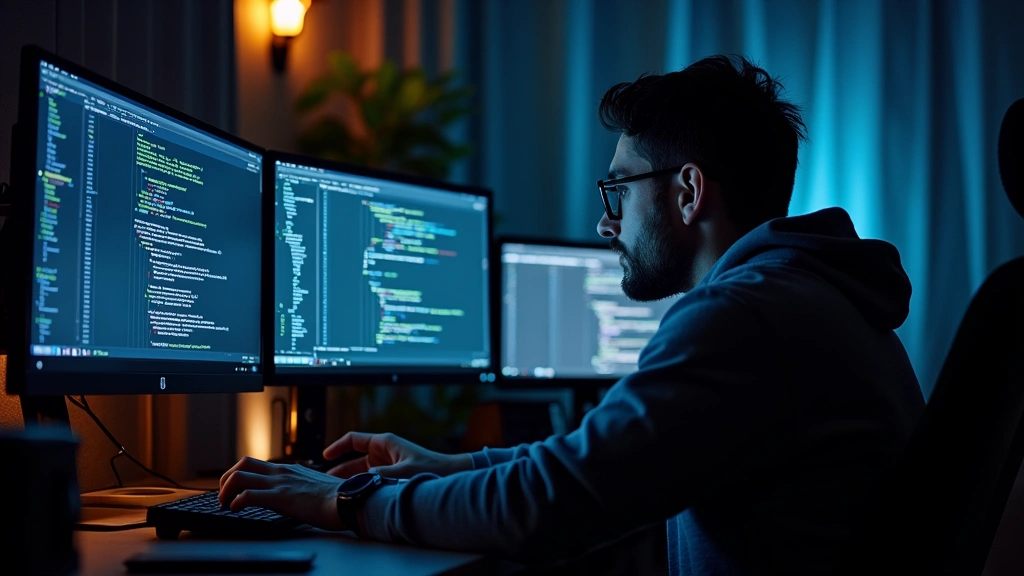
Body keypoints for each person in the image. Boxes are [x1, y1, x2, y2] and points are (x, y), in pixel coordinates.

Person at [219, 55, 925, 575]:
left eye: (619, 191)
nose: (604, 223)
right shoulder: (808, 297)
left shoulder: (746, 317)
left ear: (687, 192)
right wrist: (451, 464)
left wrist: (343, 503)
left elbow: (553, 502)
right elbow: (590, 466)